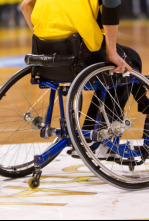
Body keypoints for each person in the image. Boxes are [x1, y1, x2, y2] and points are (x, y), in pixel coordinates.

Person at [20, 0, 149, 158]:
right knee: (129, 61)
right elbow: (111, 5)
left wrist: (44, 41)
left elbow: (25, 5)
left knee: (109, 66)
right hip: (77, 51)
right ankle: (103, 141)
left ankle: (88, 133)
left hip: (44, 54)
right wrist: (112, 51)